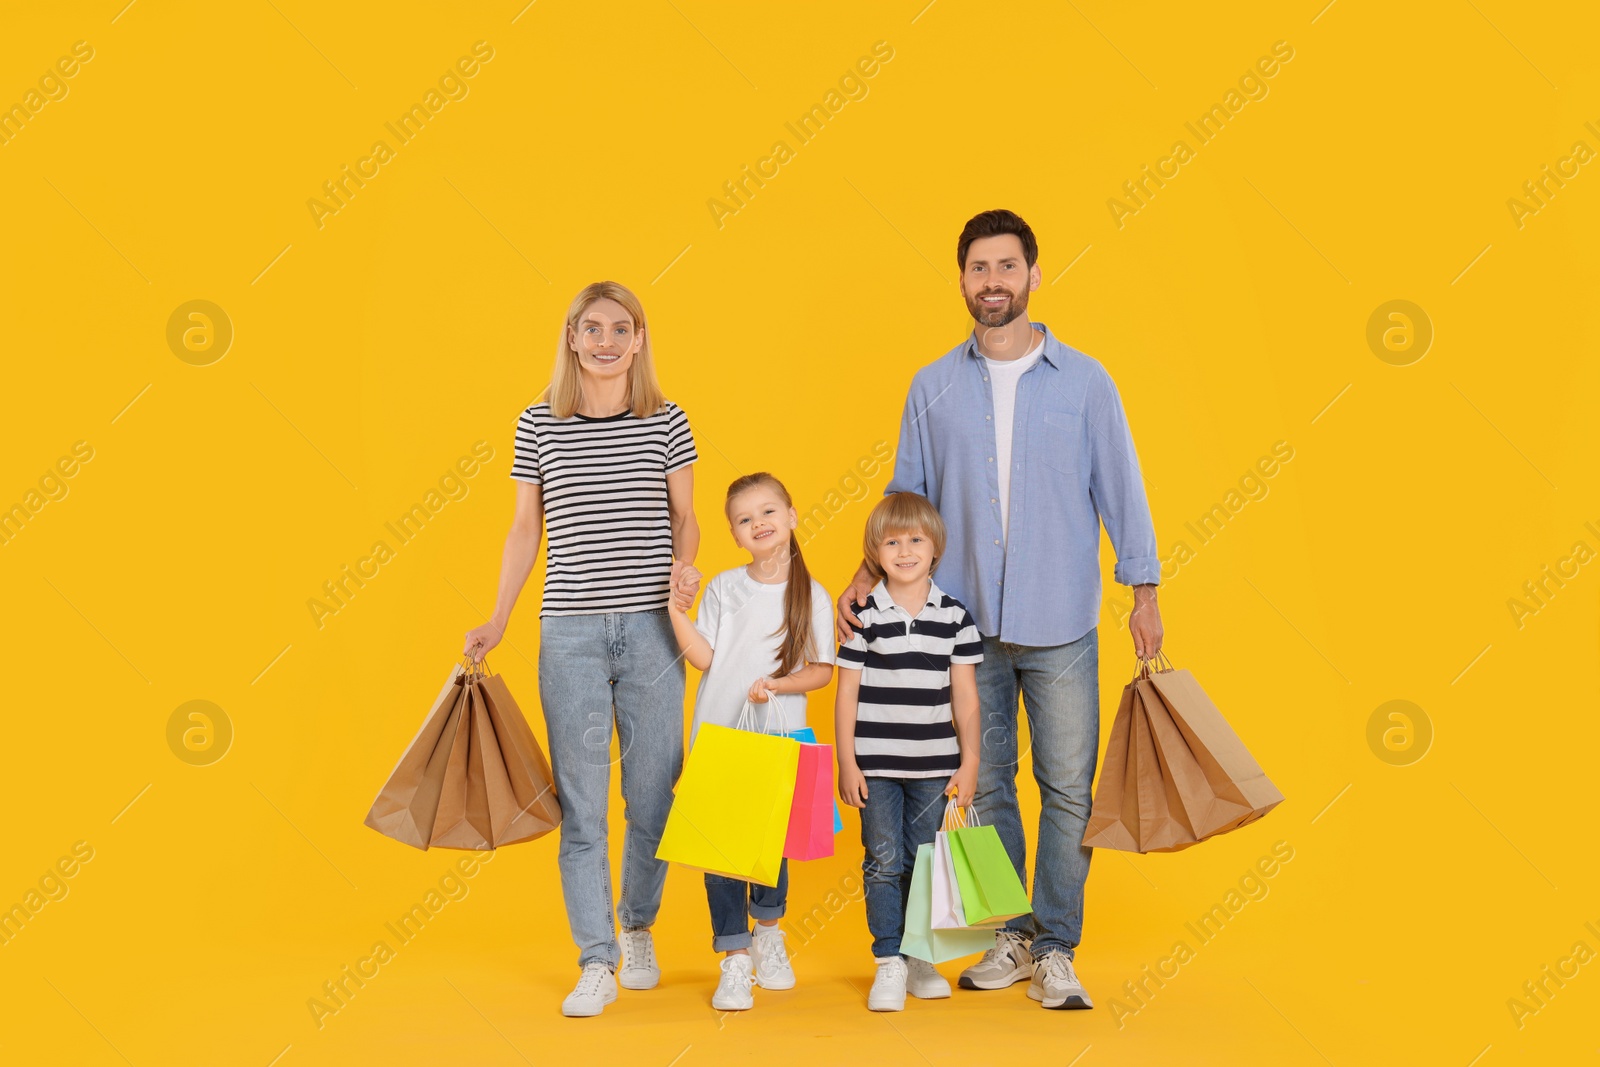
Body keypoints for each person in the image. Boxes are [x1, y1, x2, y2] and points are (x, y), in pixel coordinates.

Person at [835, 209, 1165, 1010]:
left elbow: (1120, 484)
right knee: (982, 789)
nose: (992, 282)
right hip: (963, 627)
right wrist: (862, 571)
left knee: (1067, 789)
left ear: (1033, 275)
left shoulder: (1086, 382)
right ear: (961, 281)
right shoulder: (932, 386)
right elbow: (904, 498)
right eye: (978, 268)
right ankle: (1012, 935)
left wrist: (1144, 587)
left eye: (1006, 267)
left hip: (1063, 622)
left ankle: (1056, 945)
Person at [463, 280, 701, 1018]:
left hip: (653, 628)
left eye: (619, 328)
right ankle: (595, 957)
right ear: (571, 337)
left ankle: (636, 925)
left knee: (655, 799)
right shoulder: (538, 423)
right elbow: (523, 529)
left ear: (639, 339)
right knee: (584, 807)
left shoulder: (666, 419)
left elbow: (685, 516)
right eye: (590, 327)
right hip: (568, 632)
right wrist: (499, 616)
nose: (605, 340)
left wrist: (683, 570)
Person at [666, 472, 837, 1011]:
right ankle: (734, 957)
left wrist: (779, 685)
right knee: (722, 849)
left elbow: (821, 671)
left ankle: (768, 934)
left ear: (790, 517)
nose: (758, 523)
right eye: (744, 519)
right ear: (735, 536)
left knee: (769, 844)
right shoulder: (722, 588)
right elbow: (705, 659)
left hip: (780, 735)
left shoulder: (812, 594)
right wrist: (674, 610)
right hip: (720, 733)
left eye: (767, 512)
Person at [835, 492, 982, 1012]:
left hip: (935, 769)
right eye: (891, 541)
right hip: (875, 767)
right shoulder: (863, 616)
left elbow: (965, 698)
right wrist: (847, 762)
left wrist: (970, 761)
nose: (904, 551)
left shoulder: (955, 618)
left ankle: (921, 955)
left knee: (925, 861)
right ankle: (889, 961)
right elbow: (846, 693)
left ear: (935, 547)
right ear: (875, 552)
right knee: (882, 860)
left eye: (915, 539)